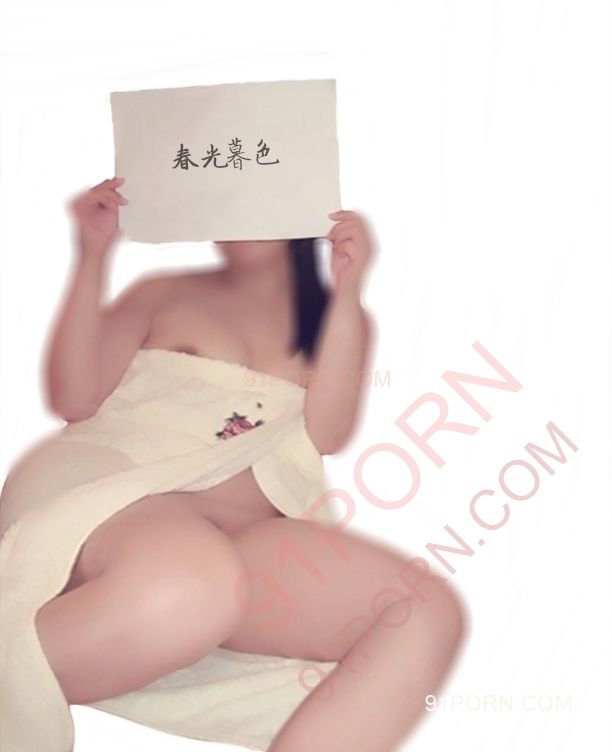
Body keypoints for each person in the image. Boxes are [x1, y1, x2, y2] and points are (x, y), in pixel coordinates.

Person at [3, 176, 467, 751]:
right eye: (221, 200)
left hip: (246, 528)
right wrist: (92, 254)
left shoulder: (336, 320)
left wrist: (348, 293)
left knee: (420, 611)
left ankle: (91, 644)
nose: (235, 218)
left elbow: (327, 432)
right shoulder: (162, 294)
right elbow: (75, 397)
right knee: (195, 578)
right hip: (120, 489)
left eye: (257, 197)